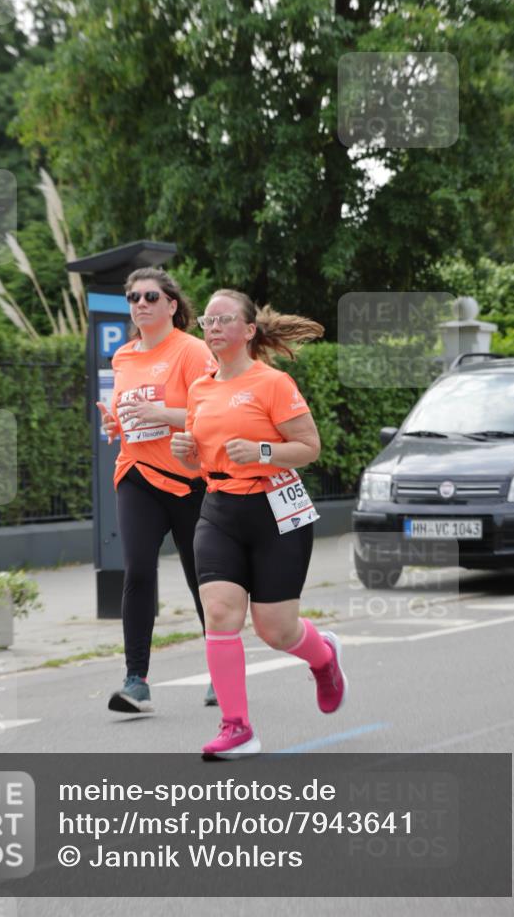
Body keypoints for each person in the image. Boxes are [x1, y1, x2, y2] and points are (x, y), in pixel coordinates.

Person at [170, 289, 348, 758]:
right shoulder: (200, 388)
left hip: (275, 512)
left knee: (276, 629)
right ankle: (237, 727)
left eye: (224, 320)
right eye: (207, 320)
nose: (212, 327)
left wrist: (264, 451)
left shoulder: (273, 383)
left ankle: (324, 658)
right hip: (219, 510)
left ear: (248, 331)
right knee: (221, 613)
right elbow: (201, 464)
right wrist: (188, 457)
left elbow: (309, 447)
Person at [96, 267, 217, 714]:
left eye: (150, 296)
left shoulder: (192, 351)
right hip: (137, 474)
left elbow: (212, 414)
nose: (140, 304)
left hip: (190, 480)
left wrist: (160, 412)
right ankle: (136, 681)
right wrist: (115, 422)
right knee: (138, 572)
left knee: (201, 578)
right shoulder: (123, 357)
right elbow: (127, 412)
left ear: (171, 304)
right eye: (133, 297)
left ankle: (221, 672)